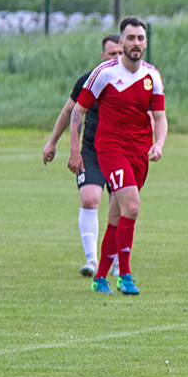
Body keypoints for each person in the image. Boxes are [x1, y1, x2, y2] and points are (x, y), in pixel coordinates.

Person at [69, 16, 168, 295]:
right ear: (121, 41)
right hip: (110, 149)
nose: (135, 43)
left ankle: (100, 278)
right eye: (130, 38)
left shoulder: (152, 76)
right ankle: (124, 274)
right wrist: (75, 150)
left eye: (140, 38)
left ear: (145, 42)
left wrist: (158, 144)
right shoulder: (104, 73)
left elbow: (160, 117)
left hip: (139, 152)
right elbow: (78, 111)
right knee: (133, 207)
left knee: (117, 215)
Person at [43, 34, 123, 278]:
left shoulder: (134, 81)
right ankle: (91, 259)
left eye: (120, 53)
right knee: (89, 200)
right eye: (112, 54)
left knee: (119, 206)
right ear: (102, 56)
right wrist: (54, 143)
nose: (117, 58)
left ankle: (118, 261)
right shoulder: (89, 80)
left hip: (121, 152)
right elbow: (70, 112)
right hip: (91, 151)